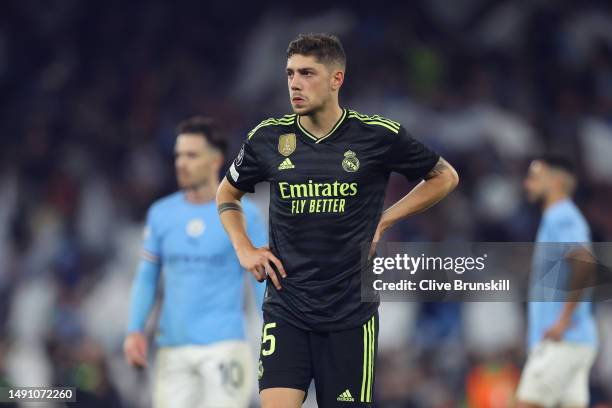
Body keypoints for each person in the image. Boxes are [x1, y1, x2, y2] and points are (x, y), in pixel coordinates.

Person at [216, 33, 458, 407]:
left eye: (307, 73)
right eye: (290, 73)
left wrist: (386, 219)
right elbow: (227, 194)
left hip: (350, 317)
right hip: (287, 310)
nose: (295, 83)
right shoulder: (267, 138)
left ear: (336, 79)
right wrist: (244, 248)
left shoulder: (377, 135)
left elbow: (444, 176)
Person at [123, 116, 267, 408]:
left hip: (225, 349)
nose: (181, 163)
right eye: (178, 155)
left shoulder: (246, 215)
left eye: (191, 155)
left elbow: (261, 280)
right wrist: (135, 329)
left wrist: (272, 335)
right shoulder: (161, 215)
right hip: (173, 350)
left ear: (215, 160)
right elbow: (147, 277)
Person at [517, 155, 598, 408]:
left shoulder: (561, 215)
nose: (526, 184)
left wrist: (562, 320)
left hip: (561, 341)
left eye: (534, 176)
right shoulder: (559, 217)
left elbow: (584, 261)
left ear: (557, 181)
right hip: (576, 341)